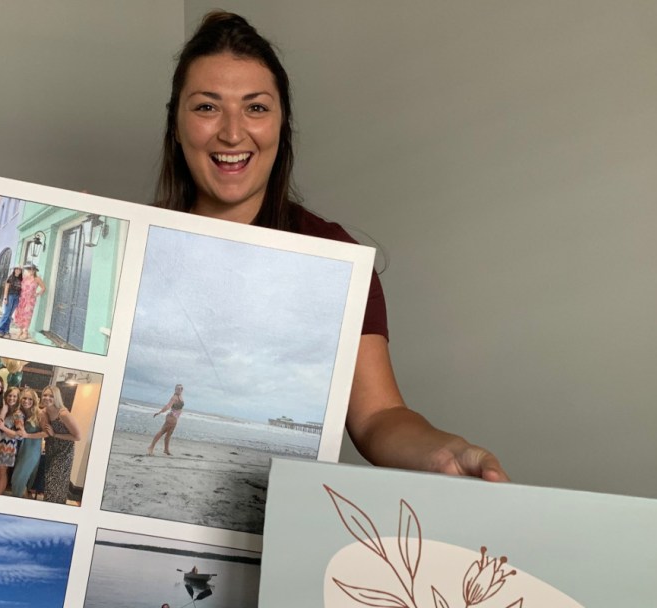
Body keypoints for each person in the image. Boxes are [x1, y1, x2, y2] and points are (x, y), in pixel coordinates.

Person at [155, 12, 507, 480]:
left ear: (283, 125)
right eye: (207, 107)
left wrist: (445, 454)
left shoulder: (331, 255)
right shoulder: (135, 241)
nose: (233, 133)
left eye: (256, 108)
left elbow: (378, 416)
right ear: (176, 124)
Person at [40, 386, 82, 503]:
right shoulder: (45, 412)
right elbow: (45, 432)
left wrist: (55, 435)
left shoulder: (63, 414)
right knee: (49, 481)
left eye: (51, 396)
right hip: (51, 448)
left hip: (64, 451)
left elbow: (78, 436)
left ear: (56, 398)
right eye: (45, 395)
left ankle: (54, 507)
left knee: (56, 481)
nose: (47, 398)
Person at [10, 387, 49, 498]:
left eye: (30, 399)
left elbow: (46, 433)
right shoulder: (20, 413)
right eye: (24, 398)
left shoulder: (39, 414)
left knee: (19, 478)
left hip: (32, 451)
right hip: (21, 449)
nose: (26, 401)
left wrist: (28, 435)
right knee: (20, 480)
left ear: (34, 401)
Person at [0, 385, 22, 494]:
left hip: (7, 448)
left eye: (14, 396)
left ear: (18, 398)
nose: (12, 398)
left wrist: (3, 427)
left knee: (2, 472)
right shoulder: (4, 409)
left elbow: (20, 435)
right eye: (10, 395)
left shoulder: (17, 414)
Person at [147, 384, 184, 456]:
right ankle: (151, 447)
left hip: (175, 418)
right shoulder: (174, 397)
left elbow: (179, 408)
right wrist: (160, 412)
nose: (179, 390)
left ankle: (166, 449)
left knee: (169, 434)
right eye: (178, 389)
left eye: (181, 389)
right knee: (162, 432)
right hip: (171, 417)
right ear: (175, 389)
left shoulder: (180, 396)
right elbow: (168, 406)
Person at [13, 263, 46, 341]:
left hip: (30, 300)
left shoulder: (37, 278)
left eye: (32, 269)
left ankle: (25, 331)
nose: (30, 271)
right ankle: (20, 330)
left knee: (27, 315)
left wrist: (37, 294)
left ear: (34, 270)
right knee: (20, 313)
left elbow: (43, 288)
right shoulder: (25, 277)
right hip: (22, 298)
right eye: (29, 269)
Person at [0, 265, 23, 338]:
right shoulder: (10, 278)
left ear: (21, 271)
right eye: (17, 269)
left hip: (17, 298)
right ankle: (1, 330)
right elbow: (6, 288)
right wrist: (5, 298)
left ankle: (7, 330)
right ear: (14, 270)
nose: (18, 270)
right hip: (10, 296)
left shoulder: (21, 279)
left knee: (10, 315)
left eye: (19, 270)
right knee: (6, 313)